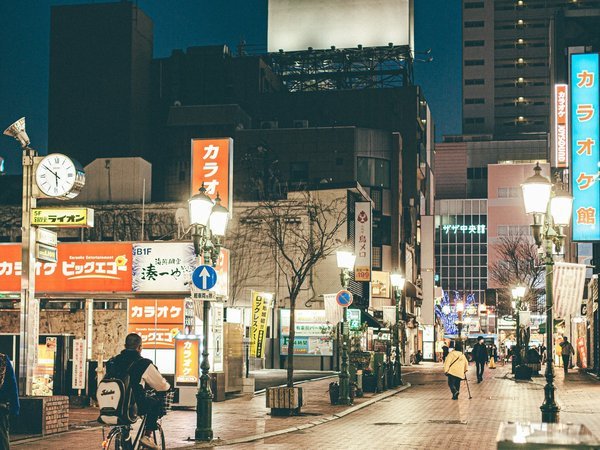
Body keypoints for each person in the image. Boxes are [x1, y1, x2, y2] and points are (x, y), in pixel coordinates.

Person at [106, 333, 170, 450]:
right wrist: (167, 387)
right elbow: (161, 385)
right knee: (155, 404)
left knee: (125, 425)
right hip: (132, 405)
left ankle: (124, 438)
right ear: (140, 347)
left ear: (125, 346)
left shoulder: (113, 361)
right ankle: (147, 436)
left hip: (111, 404)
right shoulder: (143, 363)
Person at [0, 352, 20, 450]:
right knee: (2, 439)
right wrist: (15, 409)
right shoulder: (3, 360)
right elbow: (12, 385)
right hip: (1, 408)